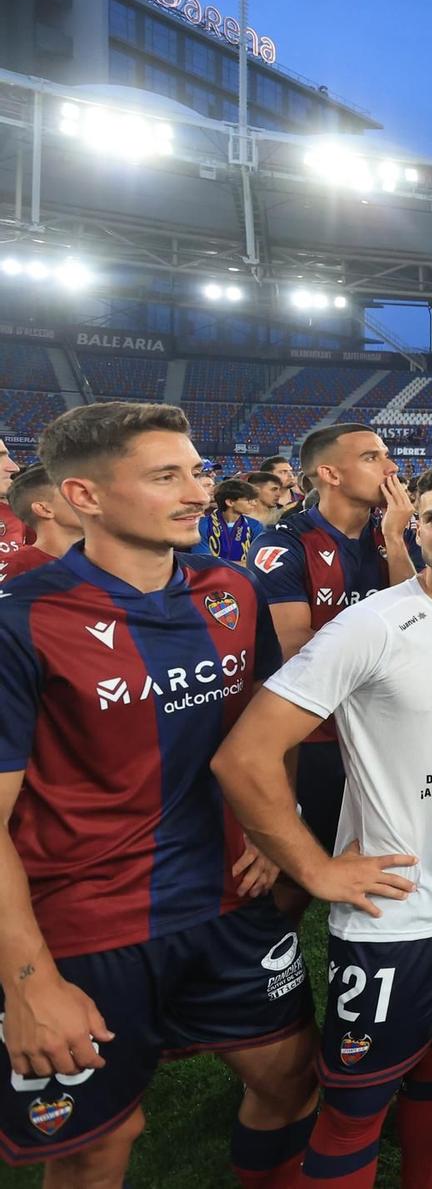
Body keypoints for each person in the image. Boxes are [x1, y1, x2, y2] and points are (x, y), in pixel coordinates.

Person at [0, 403, 317, 1185]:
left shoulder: (231, 590)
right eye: (165, 476)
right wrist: (28, 982)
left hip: (225, 897)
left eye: (197, 471)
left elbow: (262, 737)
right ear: (84, 495)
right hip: (87, 924)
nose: (198, 492)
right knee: (98, 1143)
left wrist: (273, 833)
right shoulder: (24, 621)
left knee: (292, 1081)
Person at [213, 459, 432, 1189]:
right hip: (395, 911)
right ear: (413, 527)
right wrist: (315, 868)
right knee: (356, 1103)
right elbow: (245, 756)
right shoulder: (372, 625)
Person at [250, 423, 415, 877]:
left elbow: (417, 629)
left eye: (387, 455)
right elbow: (296, 656)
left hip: (391, 723)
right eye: (372, 457)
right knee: (300, 870)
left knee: (395, 858)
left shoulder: (401, 535)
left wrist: (398, 543)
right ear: (330, 474)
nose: (391, 467)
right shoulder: (283, 545)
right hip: (320, 732)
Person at [0, 463, 82, 584]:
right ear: (44, 509)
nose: (91, 501)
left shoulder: (107, 564)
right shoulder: (16, 570)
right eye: (75, 494)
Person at [200, 479, 268, 566]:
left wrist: (219, 563)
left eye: (254, 500)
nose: (254, 504)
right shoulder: (203, 525)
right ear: (230, 502)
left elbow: (257, 563)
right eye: (248, 500)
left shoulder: (255, 526)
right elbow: (202, 562)